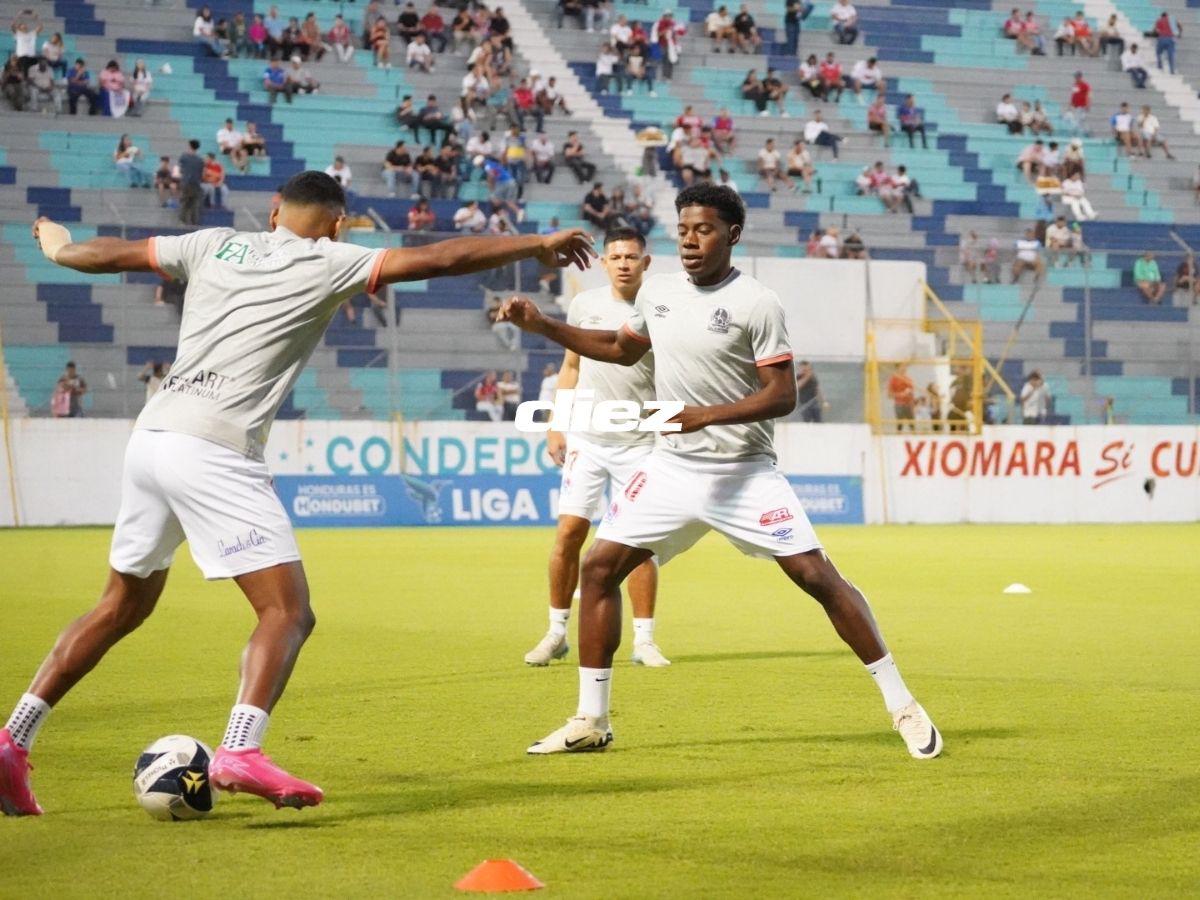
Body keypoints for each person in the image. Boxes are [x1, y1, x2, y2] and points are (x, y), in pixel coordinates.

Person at [3, 174, 596, 818]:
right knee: (288, 611)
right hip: (214, 449)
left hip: (151, 439)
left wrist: (60, 247)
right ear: (338, 225)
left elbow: (107, 254)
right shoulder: (330, 260)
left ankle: (12, 742)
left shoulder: (211, 244)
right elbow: (442, 256)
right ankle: (239, 749)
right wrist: (535, 241)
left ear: (274, 211)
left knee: (120, 606)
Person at [497, 184, 942, 760]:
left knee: (816, 578)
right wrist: (543, 326)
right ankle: (592, 719)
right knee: (599, 569)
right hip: (670, 468)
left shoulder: (758, 302)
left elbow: (781, 395)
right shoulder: (657, 294)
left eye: (702, 229)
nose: (689, 239)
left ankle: (902, 705)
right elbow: (619, 348)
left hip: (742, 472)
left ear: (732, 235)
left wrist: (705, 415)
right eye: (682, 229)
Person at [524, 228, 669, 668]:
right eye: (615, 256)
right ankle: (556, 633)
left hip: (643, 442)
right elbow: (571, 365)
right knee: (569, 533)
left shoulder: (664, 308)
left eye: (631, 256)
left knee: (640, 541)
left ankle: (644, 641)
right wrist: (556, 425)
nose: (623, 263)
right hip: (588, 437)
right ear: (603, 263)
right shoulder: (584, 305)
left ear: (647, 263)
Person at [177, 139, 204, 227]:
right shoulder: (200, 160)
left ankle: (182, 221)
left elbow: (181, 169)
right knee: (194, 204)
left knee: (184, 203)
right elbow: (201, 173)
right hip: (196, 184)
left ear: (189, 146)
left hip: (186, 183)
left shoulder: (184, 157)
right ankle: (194, 223)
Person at [887, 363, 916, 430]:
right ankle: (898, 437)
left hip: (909, 404)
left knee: (912, 424)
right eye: (902, 367)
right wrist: (900, 394)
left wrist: (910, 394)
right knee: (899, 424)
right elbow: (889, 395)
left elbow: (912, 392)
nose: (904, 368)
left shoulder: (908, 379)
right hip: (899, 404)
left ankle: (914, 436)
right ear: (897, 368)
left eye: (905, 366)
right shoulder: (893, 379)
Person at [1066, 72, 1090, 136]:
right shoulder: (1075, 85)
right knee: (1081, 119)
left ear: (1080, 77)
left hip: (1082, 105)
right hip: (1076, 105)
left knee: (1080, 119)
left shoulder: (1085, 85)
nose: (1076, 78)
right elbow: (1073, 95)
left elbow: (1088, 95)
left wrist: (1088, 104)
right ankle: (1086, 131)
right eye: (1075, 77)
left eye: (1077, 77)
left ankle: (1074, 131)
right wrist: (1070, 104)